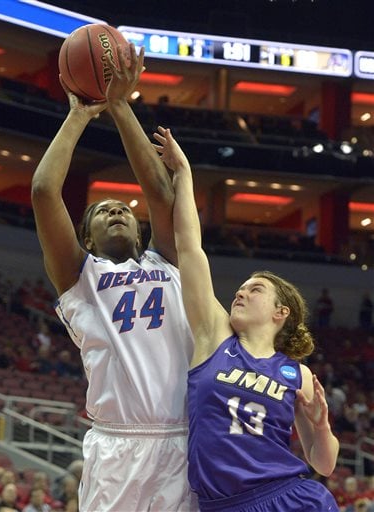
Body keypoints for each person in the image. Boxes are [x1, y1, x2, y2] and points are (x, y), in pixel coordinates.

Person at [31, 44, 195, 511]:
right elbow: (45, 190)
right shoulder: (79, 277)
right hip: (116, 444)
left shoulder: (168, 263)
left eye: (124, 209)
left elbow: (161, 193)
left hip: (184, 440)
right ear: (86, 236)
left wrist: (121, 105)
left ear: (140, 230)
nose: (118, 211)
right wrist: (81, 114)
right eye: (103, 211)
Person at [153, 126, 340, 511]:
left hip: (287, 497)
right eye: (241, 287)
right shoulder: (214, 338)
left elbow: (324, 462)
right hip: (222, 504)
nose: (240, 292)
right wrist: (185, 172)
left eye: (255, 290)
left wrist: (320, 426)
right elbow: (190, 250)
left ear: (280, 312)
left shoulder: (297, 374)